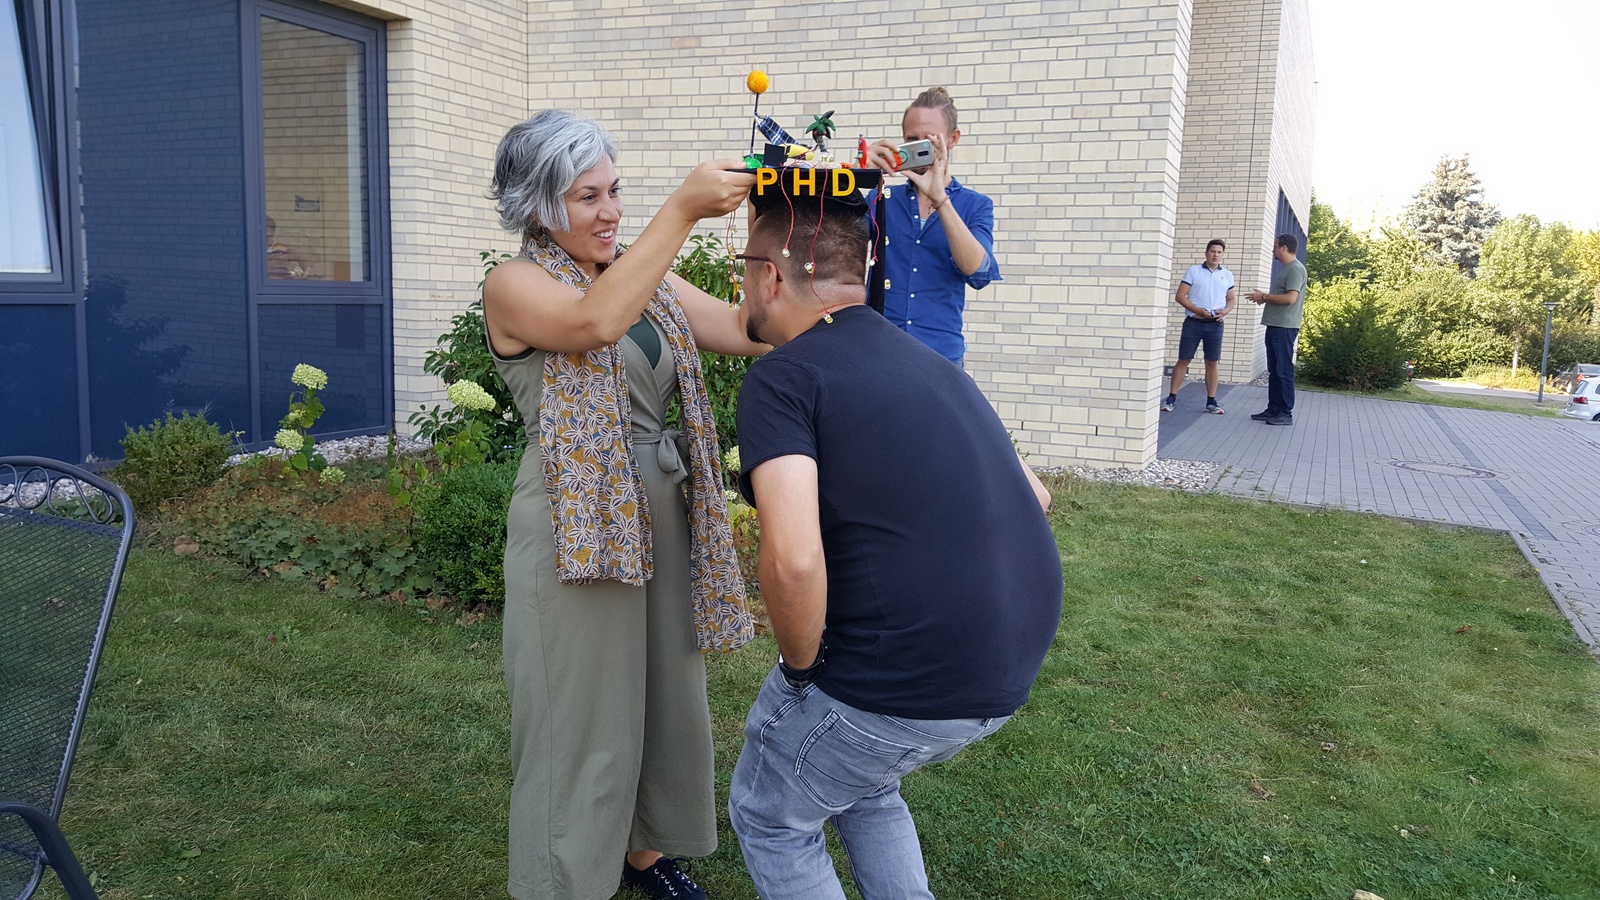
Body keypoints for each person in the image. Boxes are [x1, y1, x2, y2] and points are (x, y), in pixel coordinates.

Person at [725, 173, 1062, 900]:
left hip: (899, 682)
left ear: (771, 277)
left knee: (771, 814)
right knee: (859, 781)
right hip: (1003, 672)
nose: (739, 291)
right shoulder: (931, 364)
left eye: (742, 272)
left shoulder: (783, 380)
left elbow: (790, 562)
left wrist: (801, 672)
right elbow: (1035, 495)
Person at [482, 109, 763, 900]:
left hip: (659, 511)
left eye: (617, 191)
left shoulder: (643, 269)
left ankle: (647, 855)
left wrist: (806, 230)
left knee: (665, 699)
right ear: (539, 207)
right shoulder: (515, 284)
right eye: (587, 197)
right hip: (578, 514)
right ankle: (561, 880)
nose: (611, 212)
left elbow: (746, 330)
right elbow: (593, 324)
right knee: (579, 715)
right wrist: (679, 210)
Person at [863, 87, 1001, 367]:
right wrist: (859, 171)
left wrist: (941, 200)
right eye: (911, 140)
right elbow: (830, 238)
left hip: (941, 358)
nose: (920, 148)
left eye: (929, 140)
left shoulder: (976, 205)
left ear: (953, 138)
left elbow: (978, 273)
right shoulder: (882, 197)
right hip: (879, 350)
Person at [1161, 239, 1235, 414]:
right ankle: (1171, 399)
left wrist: (1225, 311)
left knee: (1212, 362)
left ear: (1222, 254)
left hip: (1215, 325)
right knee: (1184, 360)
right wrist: (1198, 311)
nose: (1215, 255)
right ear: (1206, 253)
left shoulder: (1227, 275)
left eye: (1219, 252)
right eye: (1212, 251)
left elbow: (1231, 300)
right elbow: (1180, 296)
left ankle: (1211, 401)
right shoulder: (1194, 271)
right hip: (1193, 323)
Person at [1247, 234, 1307, 425]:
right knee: (1274, 370)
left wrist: (1264, 296)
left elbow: (1290, 298)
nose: (1272, 250)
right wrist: (1264, 298)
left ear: (1283, 247)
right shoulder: (1287, 269)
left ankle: (1285, 413)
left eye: (1275, 246)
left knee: (1283, 370)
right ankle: (1273, 409)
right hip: (1275, 325)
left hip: (1284, 327)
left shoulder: (1295, 269)